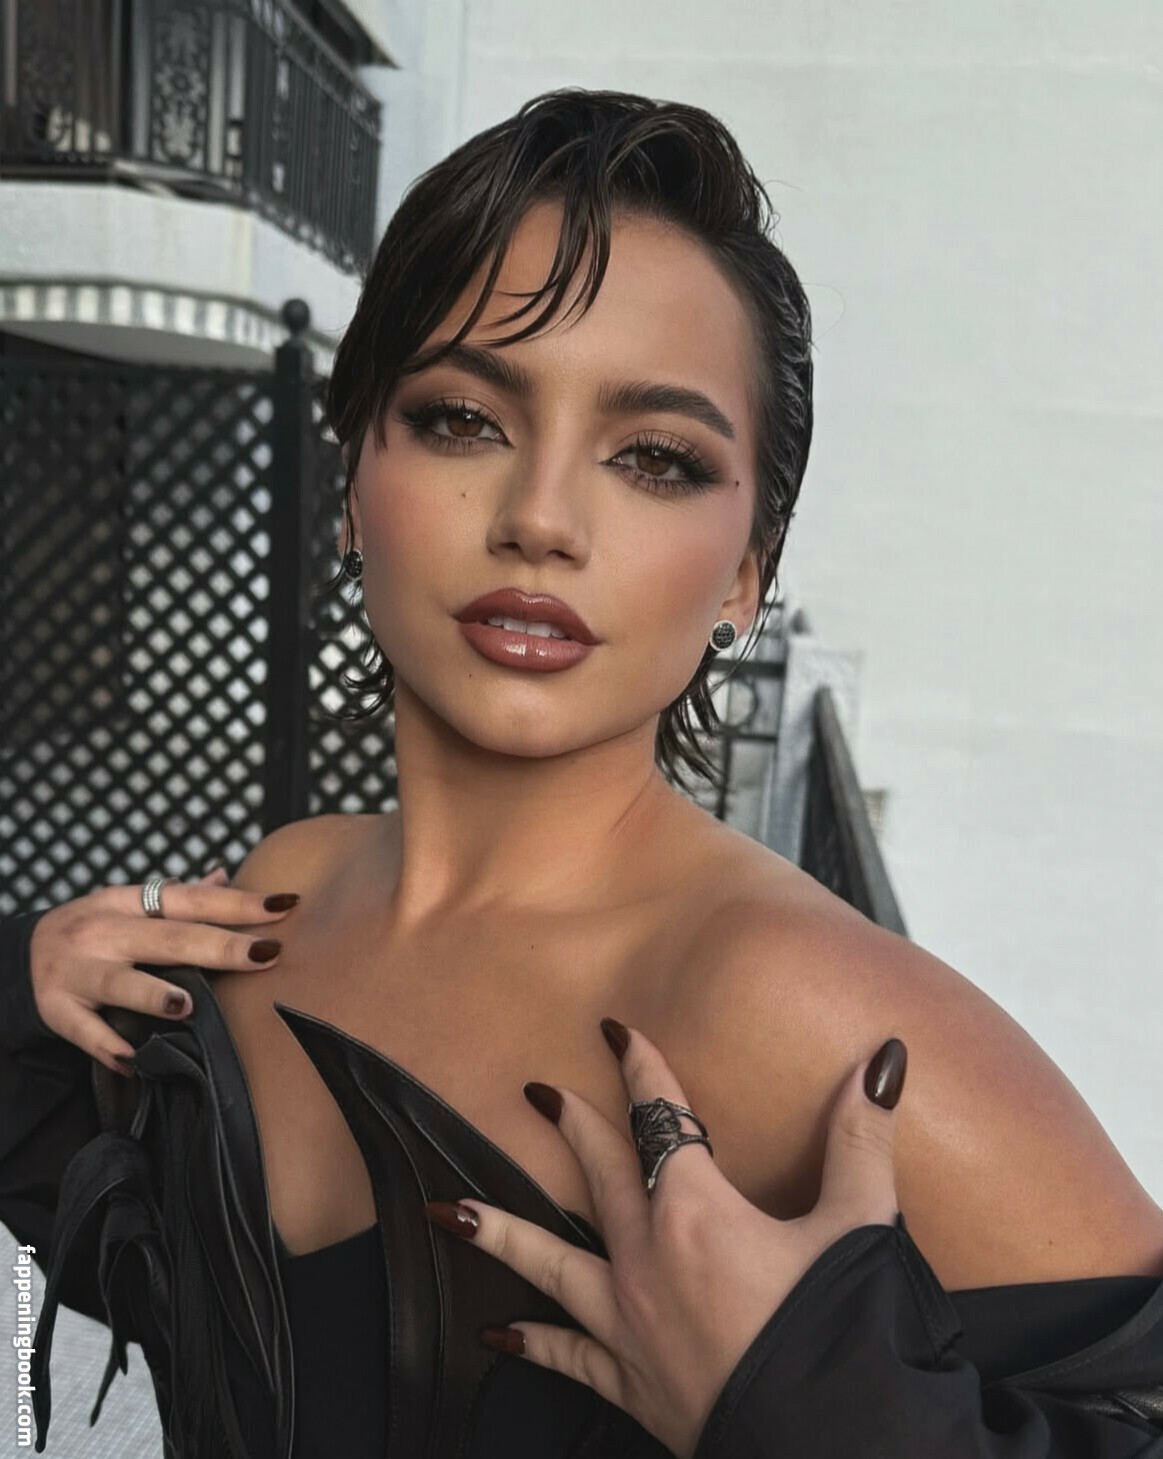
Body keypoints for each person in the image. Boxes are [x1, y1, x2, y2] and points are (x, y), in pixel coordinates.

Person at [3, 87, 1162, 1458]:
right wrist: (28, 996)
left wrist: (811, 1413)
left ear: (746, 574)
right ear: (354, 479)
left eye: (656, 459)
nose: (541, 519)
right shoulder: (286, 887)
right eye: (461, 420)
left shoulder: (800, 1010)